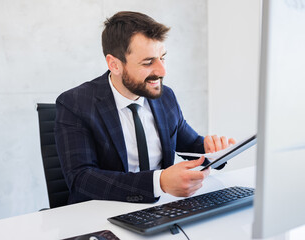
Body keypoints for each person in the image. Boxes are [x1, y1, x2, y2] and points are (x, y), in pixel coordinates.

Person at [55, 11, 235, 205]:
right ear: (114, 65)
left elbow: (191, 145)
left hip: (160, 211)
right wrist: (158, 183)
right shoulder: (74, 103)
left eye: (162, 57)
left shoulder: (166, 97)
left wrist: (214, 151)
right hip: (102, 214)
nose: (162, 71)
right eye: (148, 62)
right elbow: (81, 179)